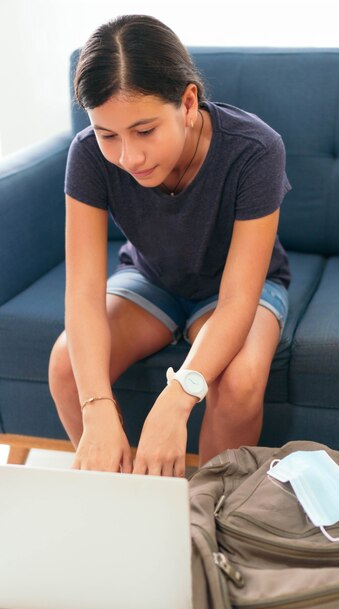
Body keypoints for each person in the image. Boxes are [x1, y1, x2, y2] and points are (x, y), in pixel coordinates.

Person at [48, 14, 292, 477]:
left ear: (188, 100)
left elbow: (240, 299)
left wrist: (179, 398)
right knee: (66, 366)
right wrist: (97, 405)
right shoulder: (85, 155)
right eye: (108, 135)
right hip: (151, 278)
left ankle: (207, 517)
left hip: (234, 289)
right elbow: (81, 292)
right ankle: (126, 504)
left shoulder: (256, 149)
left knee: (239, 382)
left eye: (144, 131)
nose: (128, 157)